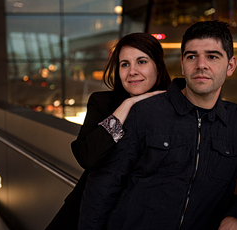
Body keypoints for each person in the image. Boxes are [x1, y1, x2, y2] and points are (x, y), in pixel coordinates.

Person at [78, 21, 237, 230]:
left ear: (230, 66)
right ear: (183, 65)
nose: (201, 65)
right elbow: (103, 187)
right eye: (192, 56)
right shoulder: (145, 112)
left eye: (212, 56)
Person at [45, 32, 171, 230]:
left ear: (158, 66)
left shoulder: (173, 108)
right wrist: (127, 105)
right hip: (86, 213)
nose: (132, 71)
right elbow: (87, 156)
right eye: (124, 64)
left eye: (142, 61)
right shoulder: (103, 103)